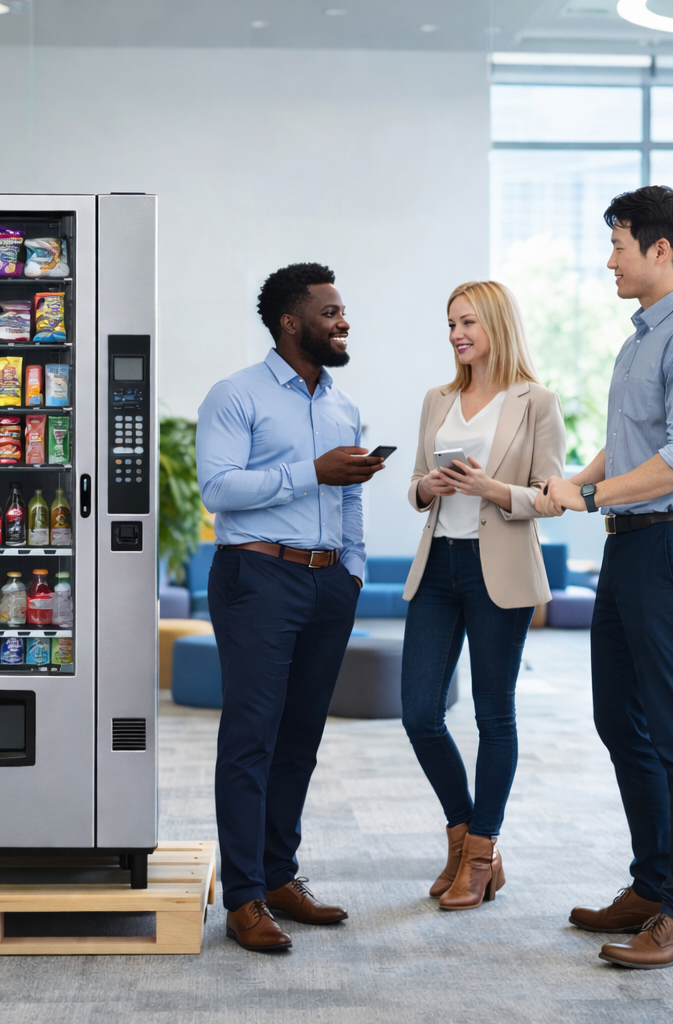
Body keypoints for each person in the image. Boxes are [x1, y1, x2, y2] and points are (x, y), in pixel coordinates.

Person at [538, 186, 673, 969]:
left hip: (670, 548)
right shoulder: (642, 339)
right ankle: (653, 885)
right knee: (621, 720)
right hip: (628, 548)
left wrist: (589, 493)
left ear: (661, 250)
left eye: (619, 244)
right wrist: (573, 485)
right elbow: (627, 452)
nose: (609, 259)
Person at [197, 262, 386, 953]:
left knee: (300, 740)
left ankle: (279, 877)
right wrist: (311, 472)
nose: (342, 321)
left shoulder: (341, 404)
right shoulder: (234, 396)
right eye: (330, 312)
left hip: (329, 583)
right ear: (290, 322)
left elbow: (352, 492)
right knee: (251, 738)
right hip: (257, 577)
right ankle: (244, 897)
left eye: (342, 312)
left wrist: (354, 572)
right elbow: (218, 490)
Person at [402, 280, 566, 911]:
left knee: (494, 716)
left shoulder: (537, 401)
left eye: (467, 322)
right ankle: (467, 837)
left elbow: (549, 497)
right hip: (438, 564)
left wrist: (489, 488)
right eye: (450, 325)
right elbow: (417, 482)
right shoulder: (437, 398)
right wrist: (431, 486)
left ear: (497, 323)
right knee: (419, 712)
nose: (456, 335)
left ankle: (476, 856)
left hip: (498, 569)